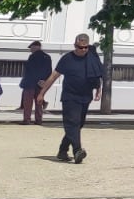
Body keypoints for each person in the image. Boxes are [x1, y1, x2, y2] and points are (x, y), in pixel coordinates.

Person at [37, 33, 105, 163]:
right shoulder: (67, 59)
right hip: (70, 96)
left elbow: (97, 74)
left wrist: (99, 89)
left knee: (78, 124)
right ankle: (77, 151)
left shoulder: (92, 57)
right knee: (72, 123)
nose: (83, 50)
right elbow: (53, 77)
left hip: (85, 96)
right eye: (80, 47)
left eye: (85, 47)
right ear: (75, 45)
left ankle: (62, 150)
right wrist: (42, 93)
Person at [19, 40, 53, 125]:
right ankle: (39, 119)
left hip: (30, 83)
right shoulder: (47, 57)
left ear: (36, 47)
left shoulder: (32, 56)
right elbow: (49, 70)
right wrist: (44, 80)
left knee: (28, 103)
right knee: (39, 102)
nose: (31, 49)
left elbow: (30, 70)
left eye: (31, 47)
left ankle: (27, 119)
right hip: (40, 83)